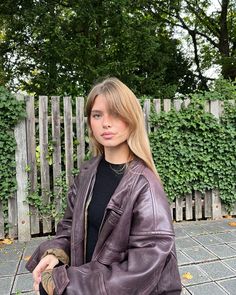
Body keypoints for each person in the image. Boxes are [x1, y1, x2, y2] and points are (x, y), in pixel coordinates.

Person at [26, 77, 182, 295]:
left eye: (115, 114)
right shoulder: (88, 172)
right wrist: (56, 253)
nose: (105, 123)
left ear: (131, 119)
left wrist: (65, 285)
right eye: (97, 115)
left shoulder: (145, 186)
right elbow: (70, 227)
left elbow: (142, 269)